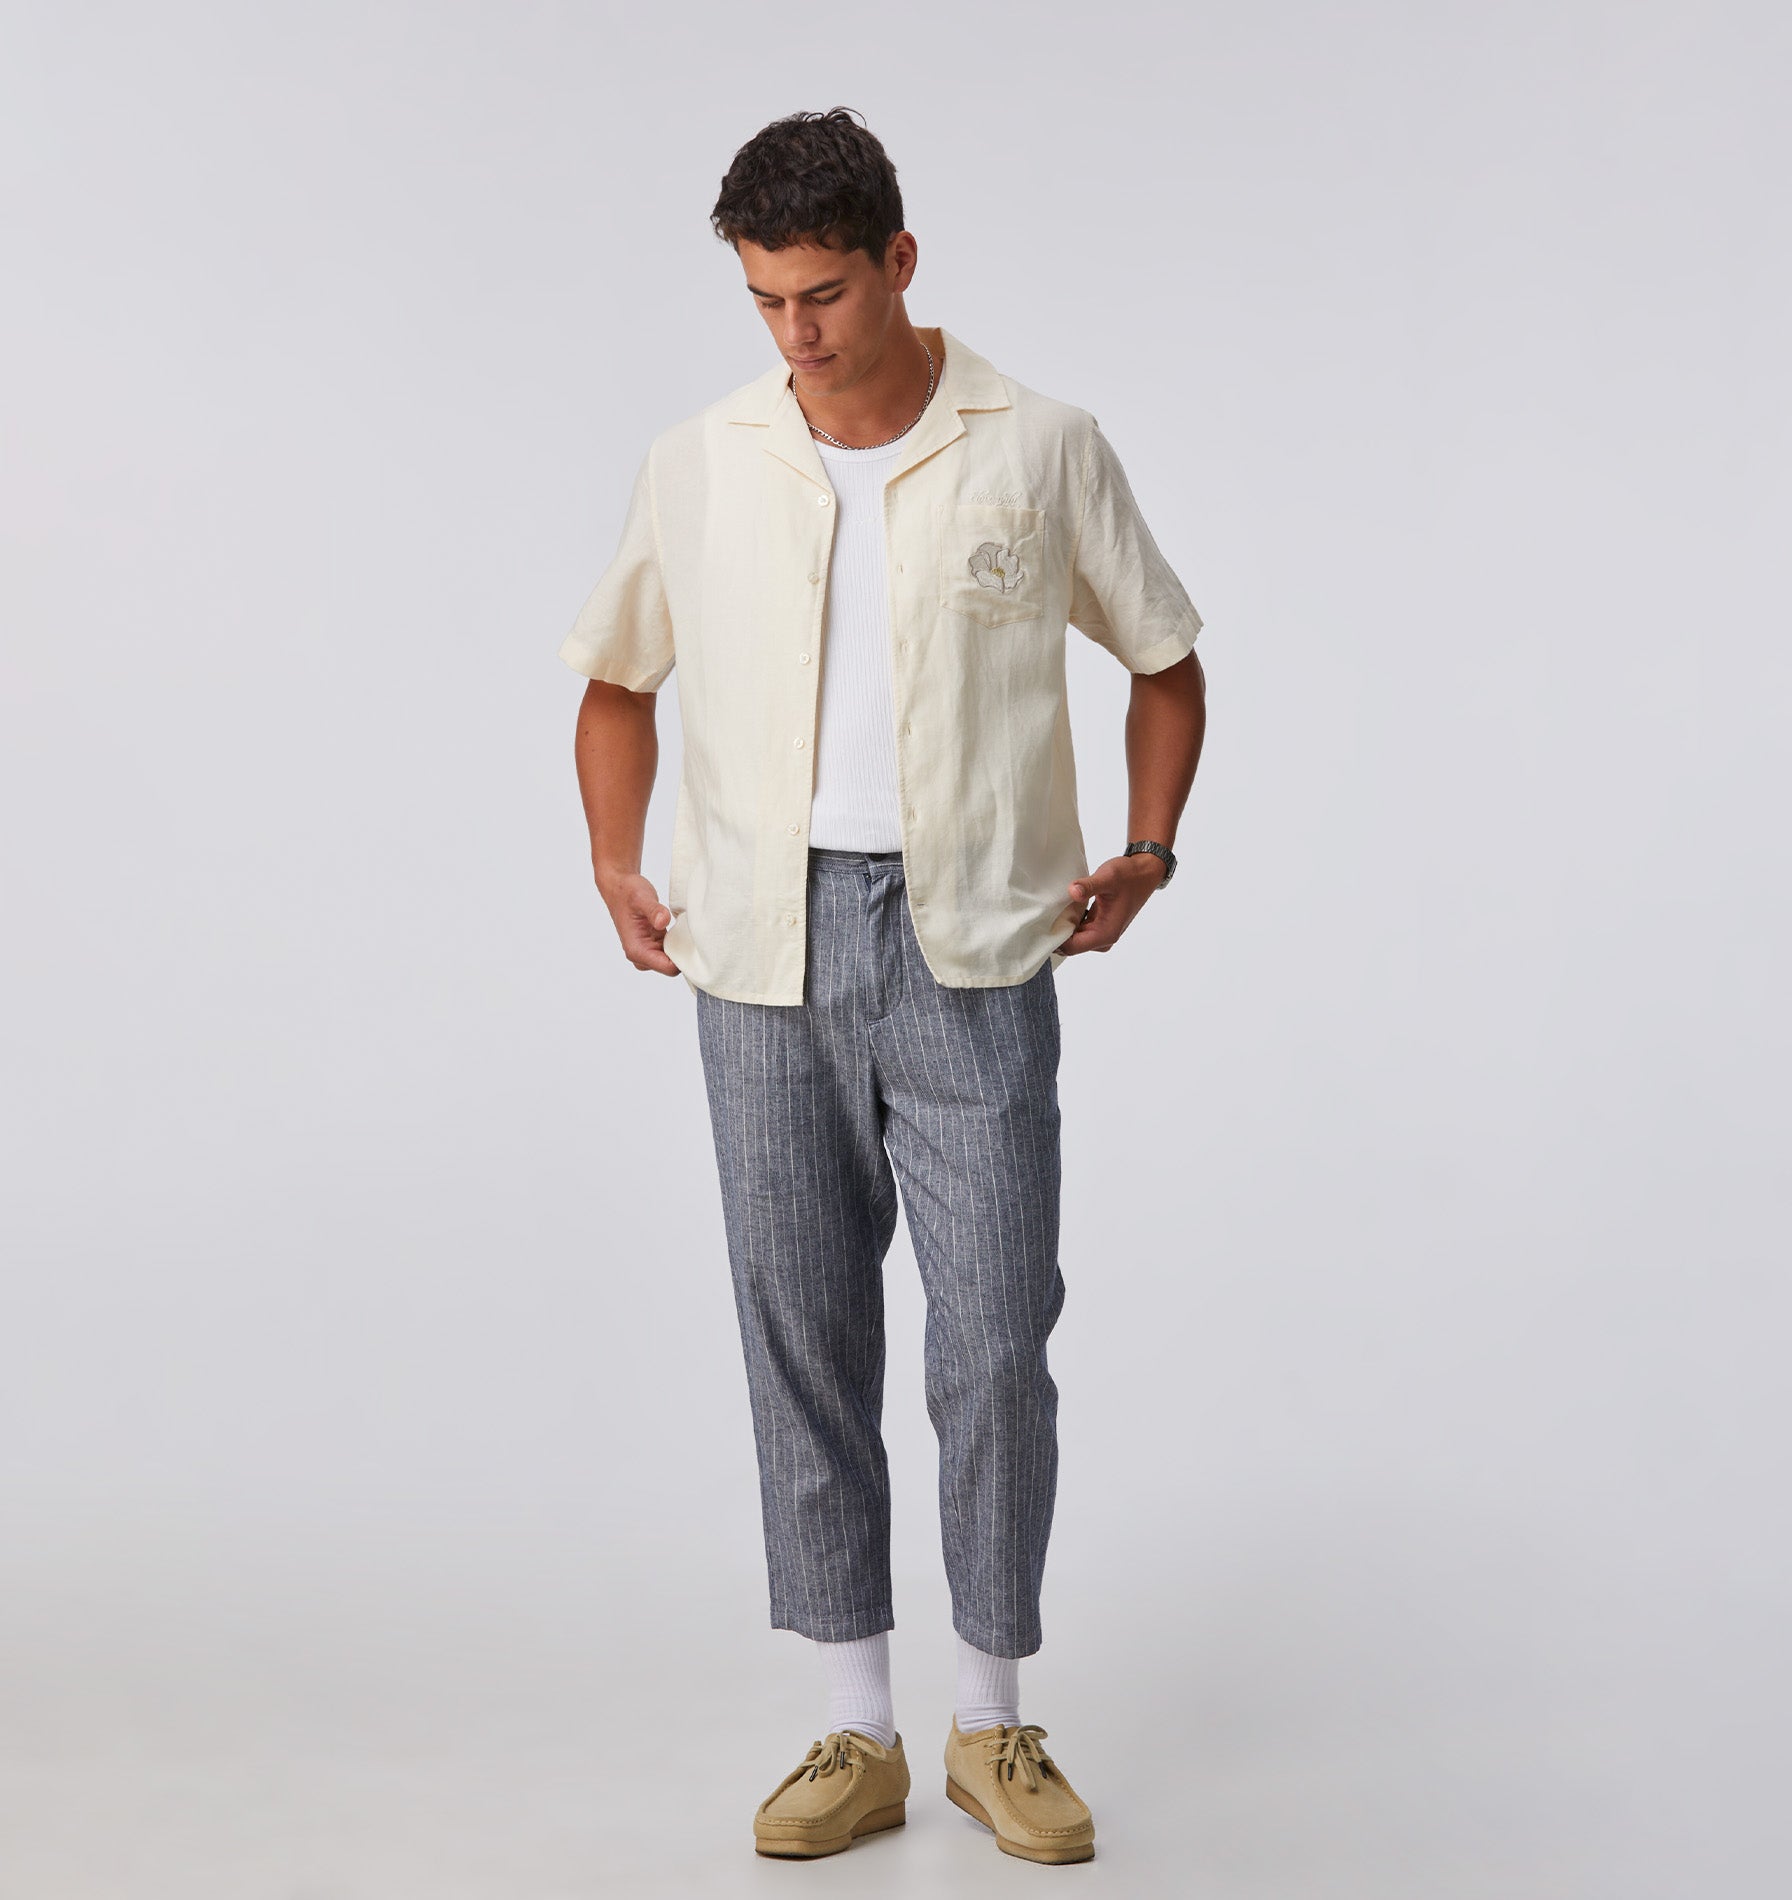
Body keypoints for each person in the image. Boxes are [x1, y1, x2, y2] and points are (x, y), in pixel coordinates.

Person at [560, 107, 1206, 1865]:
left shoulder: (1040, 446)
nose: (797, 332)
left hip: (973, 944)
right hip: (757, 955)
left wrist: (1148, 849)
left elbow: (1165, 659)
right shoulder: (702, 460)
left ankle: (995, 1721)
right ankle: (856, 1727)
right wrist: (615, 861)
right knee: (802, 1328)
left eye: (826, 293)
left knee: (994, 1336)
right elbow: (616, 680)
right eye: (766, 300)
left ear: (900, 262)